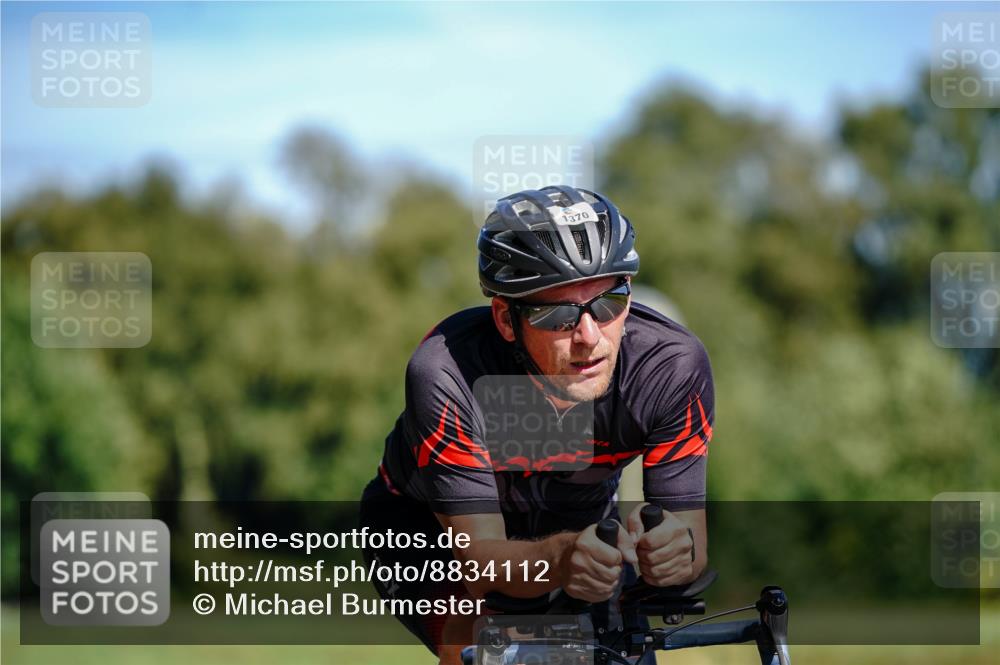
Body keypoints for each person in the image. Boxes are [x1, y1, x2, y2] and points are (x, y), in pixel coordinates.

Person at [359, 185, 714, 665]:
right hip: (428, 530)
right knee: (483, 643)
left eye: (610, 302)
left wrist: (672, 554)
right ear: (506, 319)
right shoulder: (447, 371)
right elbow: (481, 561)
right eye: (558, 314)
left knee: (612, 652)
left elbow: (691, 547)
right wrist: (563, 560)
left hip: (575, 517)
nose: (590, 337)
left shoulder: (669, 366)